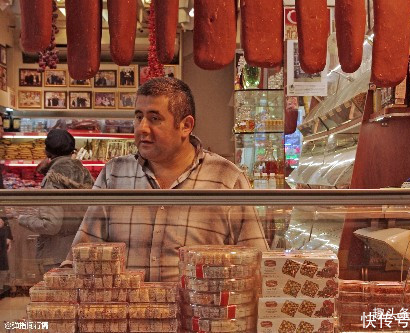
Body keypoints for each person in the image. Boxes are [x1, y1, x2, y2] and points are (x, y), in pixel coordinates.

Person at [64, 77, 268, 281]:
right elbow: (82, 254)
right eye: (138, 117)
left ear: (186, 125)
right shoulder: (114, 174)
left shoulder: (226, 179)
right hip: (127, 310)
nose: (142, 128)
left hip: (199, 312)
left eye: (154, 118)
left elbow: (257, 264)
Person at [17, 129, 94, 273]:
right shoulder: (85, 173)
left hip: (56, 256)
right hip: (82, 251)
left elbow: (51, 225)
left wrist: (22, 219)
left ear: (47, 152)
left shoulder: (53, 178)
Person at [0, 214, 12, 295]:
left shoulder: (6, 228)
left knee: (4, 270)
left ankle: (0, 287)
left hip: (2, 251)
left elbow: (9, 239)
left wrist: (9, 244)